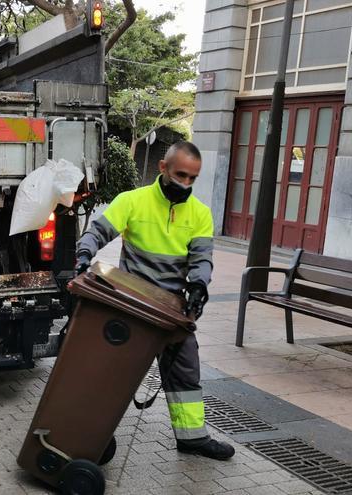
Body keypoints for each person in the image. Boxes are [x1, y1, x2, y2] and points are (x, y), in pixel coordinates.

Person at [75, 141, 235, 460]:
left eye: (192, 178)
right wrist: (83, 255)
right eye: (180, 175)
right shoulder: (133, 201)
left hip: (171, 309)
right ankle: (89, 433)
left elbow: (202, 258)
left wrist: (200, 285)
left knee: (186, 371)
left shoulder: (200, 214)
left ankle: (191, 437)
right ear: (163, 168)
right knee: (114, 374)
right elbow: (98, 232)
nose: (185, 184)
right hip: (132, 305)